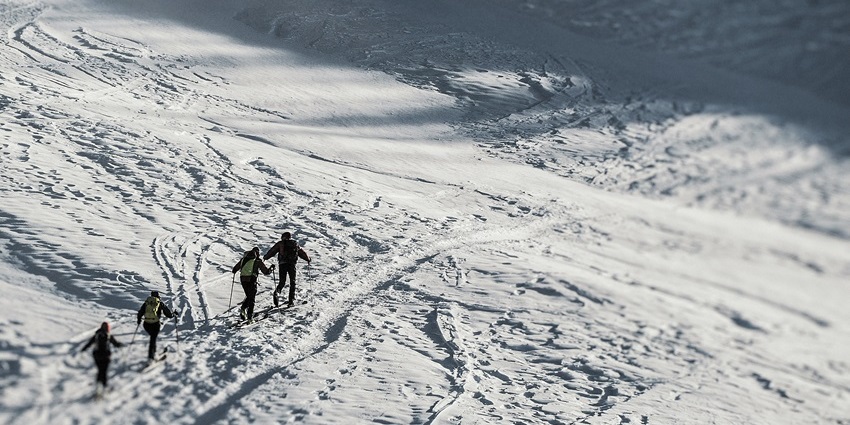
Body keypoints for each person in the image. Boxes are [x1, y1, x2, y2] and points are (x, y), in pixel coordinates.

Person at [263, 232, 311, 307]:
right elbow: (301, 253)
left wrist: (265, 257)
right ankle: (291, 301)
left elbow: (272, 251)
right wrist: (308, 259)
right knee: (292, 281)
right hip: (292, 264)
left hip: (282, 264)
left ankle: (277, 292)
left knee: (282, 281)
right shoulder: (295, 244)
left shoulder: (280, 244)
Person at [81, 321, 122, 397]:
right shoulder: (108, 335)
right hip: (105, 356)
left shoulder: (97, 335)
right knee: (104, 372)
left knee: (100, 371)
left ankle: (98, 387)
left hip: (96, 355)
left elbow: (90, 343)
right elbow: (116, 344)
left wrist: (83, 349)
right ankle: (104, 387)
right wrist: (121, 345)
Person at [231, 247, 273, 322]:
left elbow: (234, 269)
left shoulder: (243, 259)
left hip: (243, 279)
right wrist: (271, 269)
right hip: (252, 280)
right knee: (252, 298)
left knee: (249, 296)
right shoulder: (258, 261)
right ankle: (249, 316)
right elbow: (266, 272)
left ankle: (243, 310)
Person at [136, 291, 174, 361]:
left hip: (146, 324)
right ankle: (151, 357)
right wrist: (174, 314)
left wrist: (139, 320)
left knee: (153, 338)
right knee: (153, 339)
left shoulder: (147, 303)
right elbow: (168, 314)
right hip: (155, 324)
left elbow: (140, 312)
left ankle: (154, 352)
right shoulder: (159, 303)